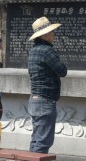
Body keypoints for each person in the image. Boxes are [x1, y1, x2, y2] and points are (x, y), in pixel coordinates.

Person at [26, 17, 68, 153]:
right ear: (45, 34)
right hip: (45, 100)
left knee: (36, 139)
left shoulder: (33, 51)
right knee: (43, 141)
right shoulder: (47, 51)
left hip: (34, 99)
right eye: (51, 31)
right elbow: (62, 70)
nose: (53, 34)